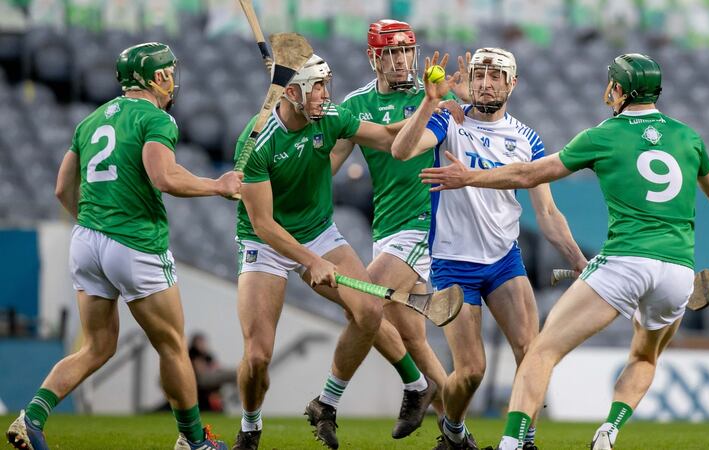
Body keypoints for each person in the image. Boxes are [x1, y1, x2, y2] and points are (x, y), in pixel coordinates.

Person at [419, 53, 709, 450]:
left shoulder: (602, 135)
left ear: (622, 90)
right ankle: (609, 432)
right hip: (679, 272)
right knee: (644, 358)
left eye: (612, 82)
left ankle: (511, 445)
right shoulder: (689, 137)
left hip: (626, 261)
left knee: (539, 352)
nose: (607, 89)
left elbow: (528, 174)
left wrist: (468, 176)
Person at [5, 42, 240, 450]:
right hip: (135, 243)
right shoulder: (156, 118)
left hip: (87, 241)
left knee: (97, 346)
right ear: (152, 78)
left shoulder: (91, 120)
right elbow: (164, 177)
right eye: (167, 72)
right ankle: (193, 441)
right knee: (171, 346)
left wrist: (97, 222)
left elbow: (62, 188)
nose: (172, 79)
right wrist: (216, 185)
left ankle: (32, 418)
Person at [232, 54, 435, 450]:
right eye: (317, 86)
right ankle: (250, 426)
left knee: (369, 310)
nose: (326, 94)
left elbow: (389, 138)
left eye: (327, 84)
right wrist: (311, 261)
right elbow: (263, 224)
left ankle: (407, 387)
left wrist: (432, 106)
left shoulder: (331, 117)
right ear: (292, 92)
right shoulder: (256, 140)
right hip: (265, 243)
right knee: (258, 356)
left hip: (319, 231)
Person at [392, 48, 587, 450]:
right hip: (452, 262)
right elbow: (401, 150)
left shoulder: (527, 139)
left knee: (531, 352)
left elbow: (548, 214)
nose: (485, 82)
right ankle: (454, 432)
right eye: (479, 75)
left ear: (512, 84)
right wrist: (429, 103)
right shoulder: (449, 121)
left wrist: (580, 262)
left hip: (504, 261)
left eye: (496, 76)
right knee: (471, 371)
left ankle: (525, 440)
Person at [331, 19, 465, 421]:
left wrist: (445, 102)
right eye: (390, 52)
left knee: (362, 300)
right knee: (414, 339)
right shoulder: (355, 105)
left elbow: (405, 140)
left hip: (426, 221)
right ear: (373, 58)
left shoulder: (433, 98)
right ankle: (456, 431)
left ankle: (332, 400)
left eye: (406, 51)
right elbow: (328, 167)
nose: (400, 61)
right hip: (386, 227)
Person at [188, 333, 237, 412]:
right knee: (234, 374)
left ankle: (235, 395)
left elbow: (216, 366)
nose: (202, 344)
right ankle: (235, 397)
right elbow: (200, 370)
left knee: (236, 374)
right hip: (200, 379)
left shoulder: (207, 355)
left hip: (211, 376)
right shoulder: (192, 353)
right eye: (200, 342)